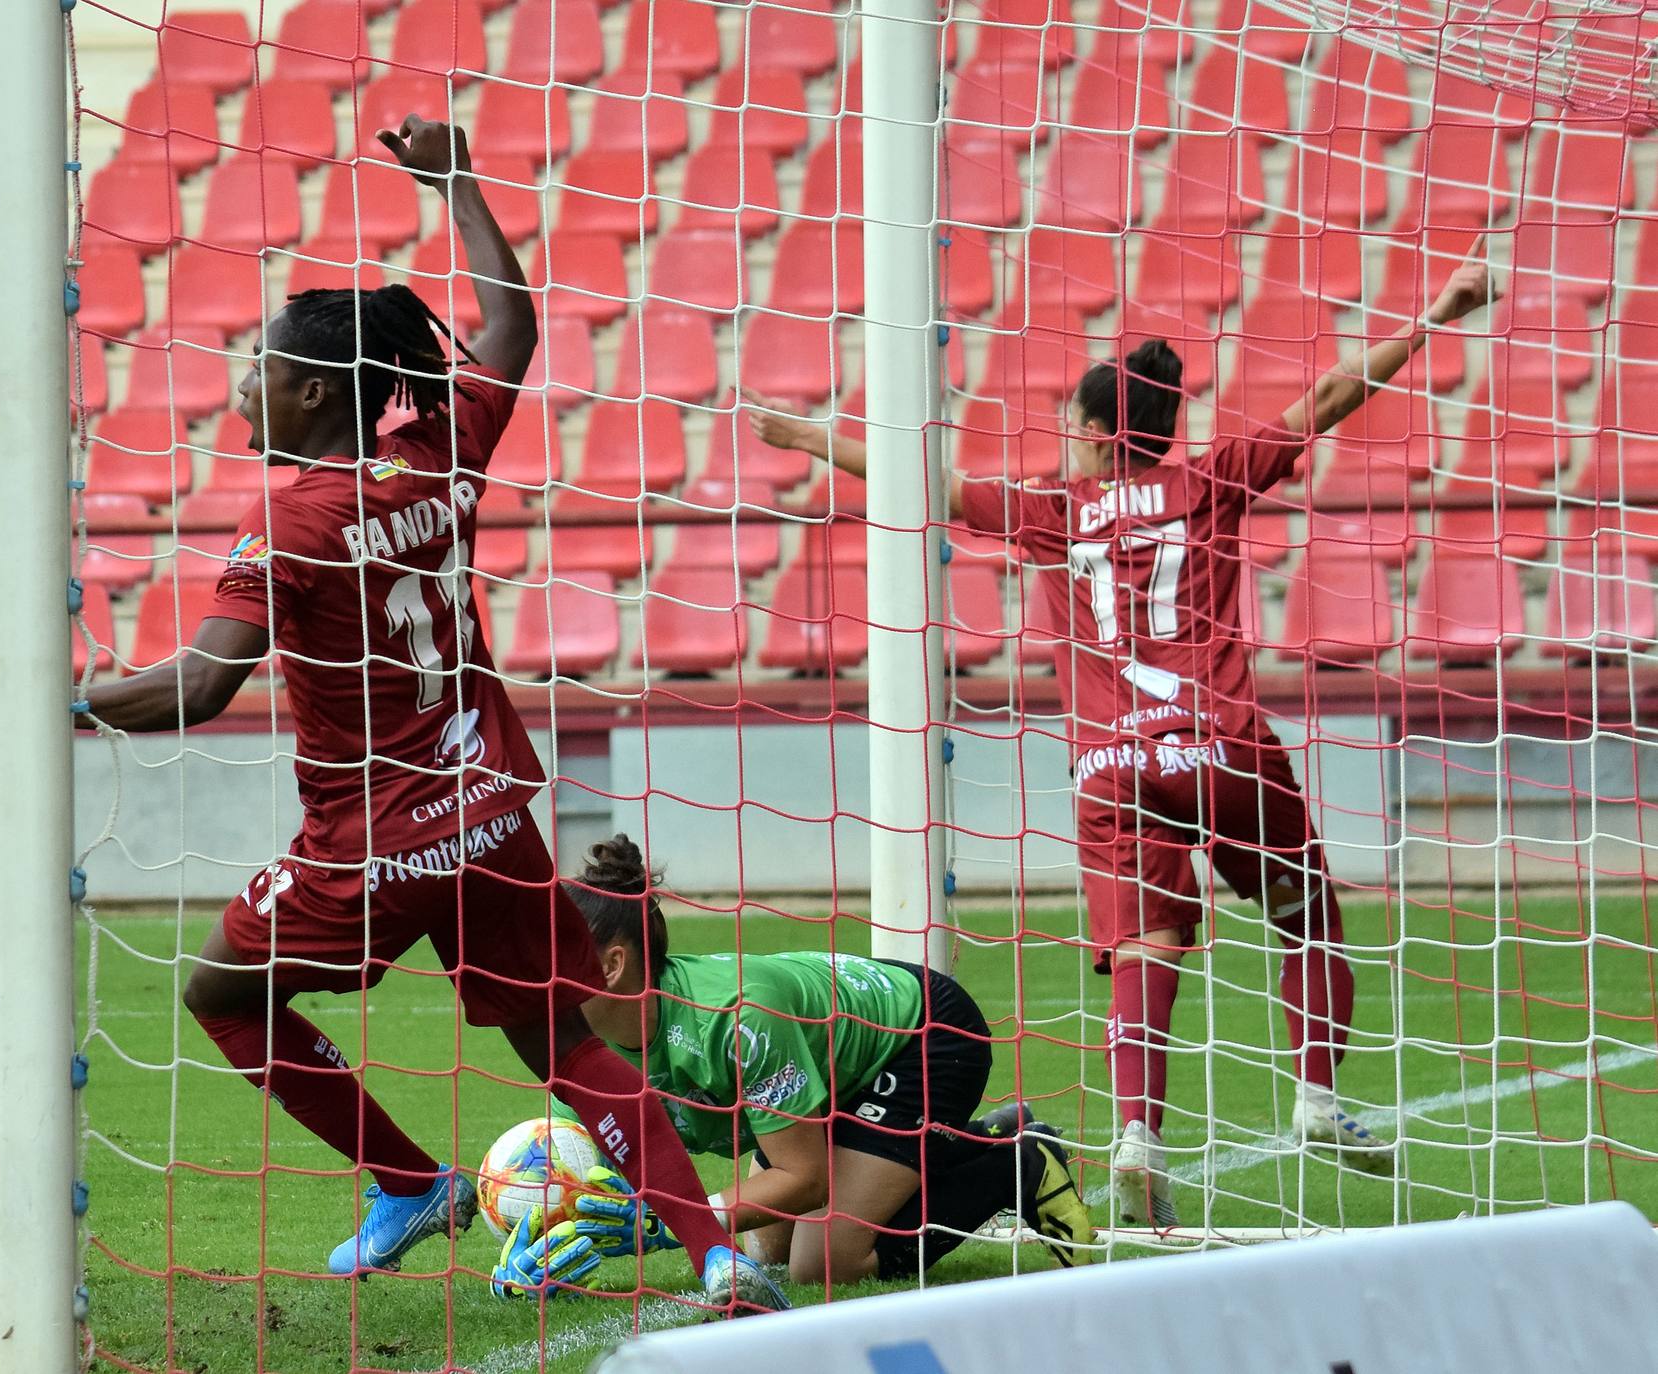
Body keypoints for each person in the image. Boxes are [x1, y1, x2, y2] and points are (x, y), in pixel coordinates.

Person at [73, 116, 784, 1313]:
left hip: (369, 846)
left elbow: (197, 687)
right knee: (564, 1047)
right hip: (494, 815)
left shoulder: (285, 532)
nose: (243, 382)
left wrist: (58, 705)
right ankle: (715, 1254)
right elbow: (509, 327)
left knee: (218, 995)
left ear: (306, 391)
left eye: (258, 366)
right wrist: (457, 182)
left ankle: (405, 1182)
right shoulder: (443, 450)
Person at [746, 244, 1495, 1227]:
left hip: (1107, 766)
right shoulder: (1213, 477)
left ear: (1100, 435)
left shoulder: (1053, 510)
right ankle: (1316, 1098)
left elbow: (920, 482)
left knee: (1147, 946)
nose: (1065, 441)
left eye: (1070, 428)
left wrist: (806, 434)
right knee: (1304, 914)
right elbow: (1324, 400)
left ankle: (1139, 1135)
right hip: (1219, 744)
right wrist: (1438, 308)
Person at [535, 834, 1094, 1286]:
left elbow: (805, 1181)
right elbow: (608, 1174)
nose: (532, 974)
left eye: (551, 955)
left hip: (922, 1034)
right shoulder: (586, 1042)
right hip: (833, 1068)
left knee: (824, 1263)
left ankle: (1014, 1162)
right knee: (769, 1249)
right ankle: (971, 1139)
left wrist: (673, 1220)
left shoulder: (735, 1020)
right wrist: (539, 1241)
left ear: (611, 965)